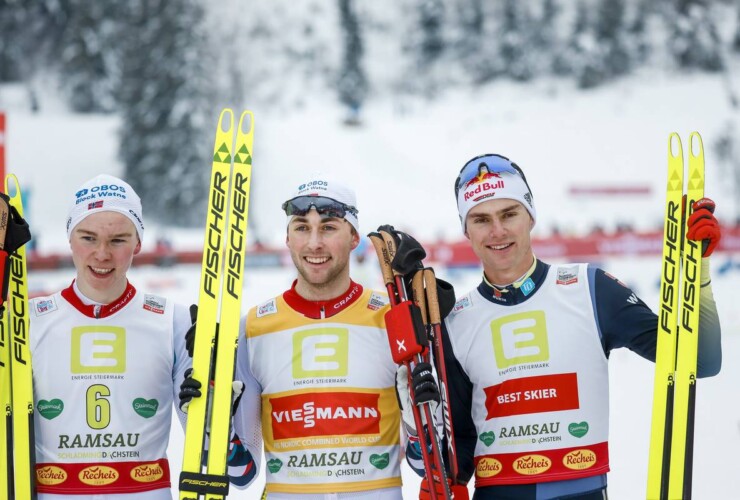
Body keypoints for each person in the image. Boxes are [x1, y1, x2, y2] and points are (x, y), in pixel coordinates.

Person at [412, 154, 723, 499]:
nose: (497, 231)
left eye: (509, 214)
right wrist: (420, 425)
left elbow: (699, 361)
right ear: (465, 230)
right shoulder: (455, 320)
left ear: (530, 216)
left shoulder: (590, 288)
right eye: (481, 219)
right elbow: (457, 451)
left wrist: (700, 272)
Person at [204, 175, 415, 498]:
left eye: (329, 227)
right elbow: (242, 473)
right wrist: (214, 419)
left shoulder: (392, 318)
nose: (314, 243)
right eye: (302, 227)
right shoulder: (254, 328)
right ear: (288, 238)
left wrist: (418, 419)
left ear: (354, 236)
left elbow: (426, 464)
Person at [30, 174, 193, 499]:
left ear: (138, 243)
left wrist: (217, 404)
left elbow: (214, 446)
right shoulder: (29, 320)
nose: (102, 254)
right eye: (88, 238)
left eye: (118, 240)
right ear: (69, 238)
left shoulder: (173, 321)